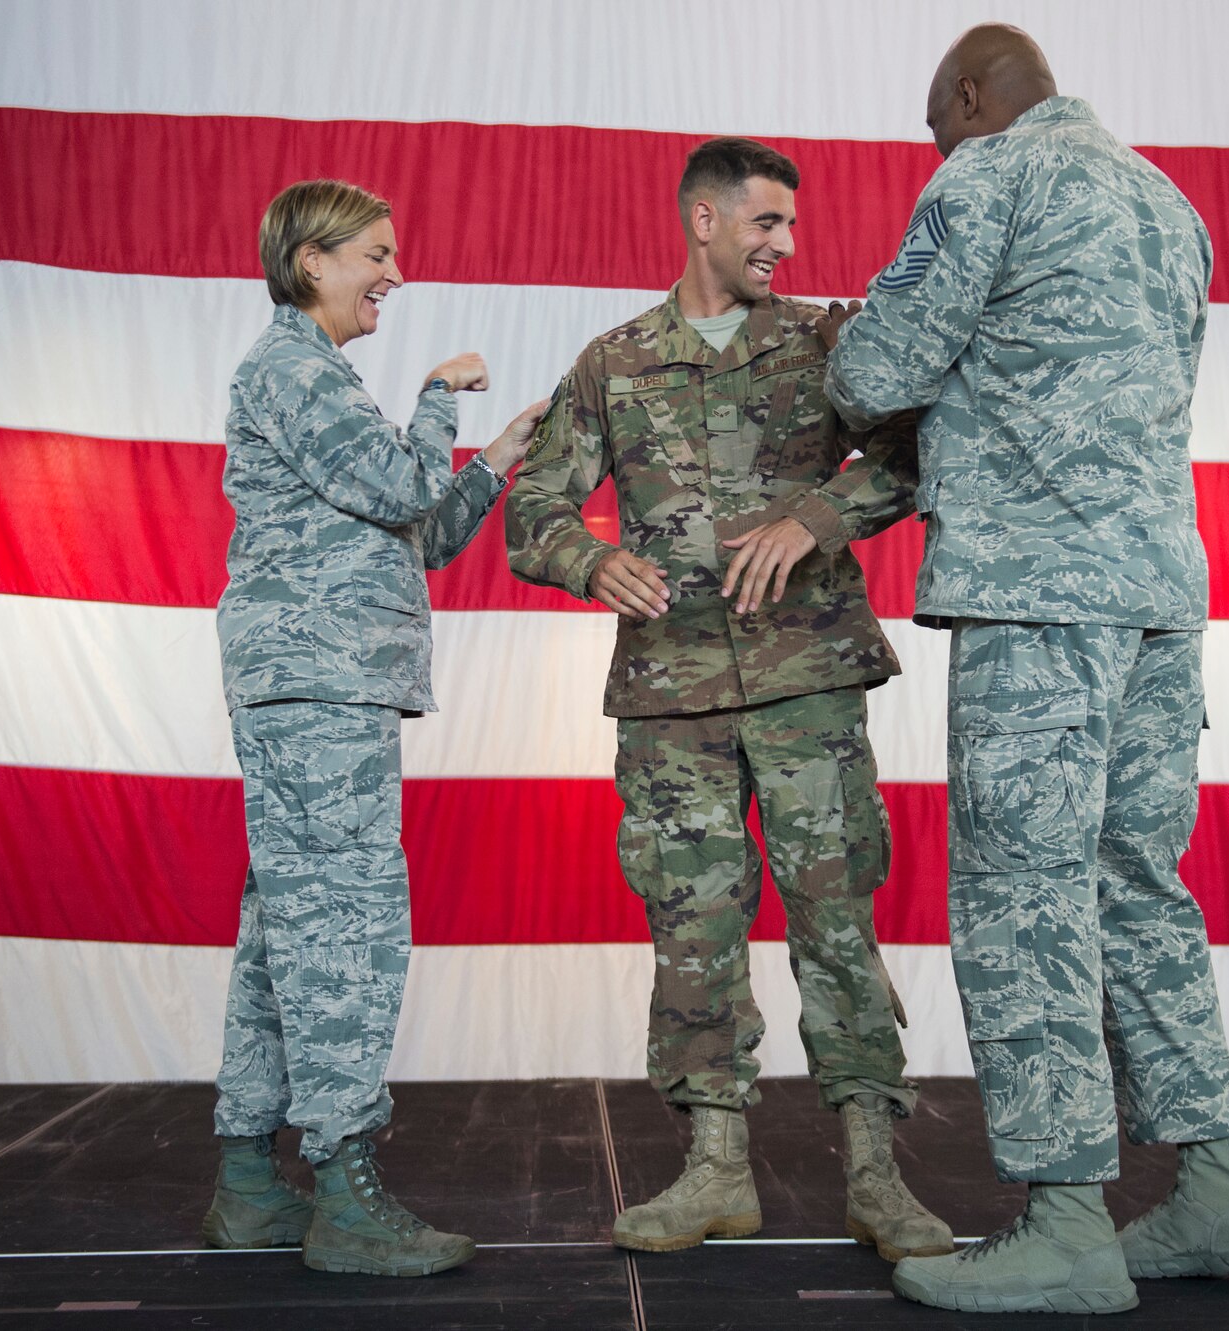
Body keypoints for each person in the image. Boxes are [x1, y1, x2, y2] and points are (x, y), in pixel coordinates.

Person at [823, 25, 1229, 1315]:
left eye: (936, 125)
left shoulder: (988, 173)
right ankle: (1214, 1187)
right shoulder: (1166, 201)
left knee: (1023, 893)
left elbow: (874, 370)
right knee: (1137, 887)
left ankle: (1067, 1219)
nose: (936, 149)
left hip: (1039, 597)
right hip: (1159, 599)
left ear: (970, 98)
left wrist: (851, 340)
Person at [507, 137, 951, 1261]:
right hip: (673, 700)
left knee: (836, 920)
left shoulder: (825, 342)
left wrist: (818, 518)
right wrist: (587, 557)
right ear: (702, 220)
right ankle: (714, 1167)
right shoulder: (614, 362)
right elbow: (533, 504)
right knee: (693, 931)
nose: (784, 244)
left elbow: (913, 453)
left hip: (808, 684)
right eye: (765, 222)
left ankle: (874, 1172)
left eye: (789, 225)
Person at [201, 178, 546, 1278]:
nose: (394, 274)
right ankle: (344, 1190)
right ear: (312, 261)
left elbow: (419, 531)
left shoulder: (318, 375)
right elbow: (401, 482)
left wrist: (496, 456)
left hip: (319, 685)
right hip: (317, 687)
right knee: (344, 929)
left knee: (286, 934)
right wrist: (439, 395)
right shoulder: (292, 367)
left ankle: (249, 1181)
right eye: (376, 254)